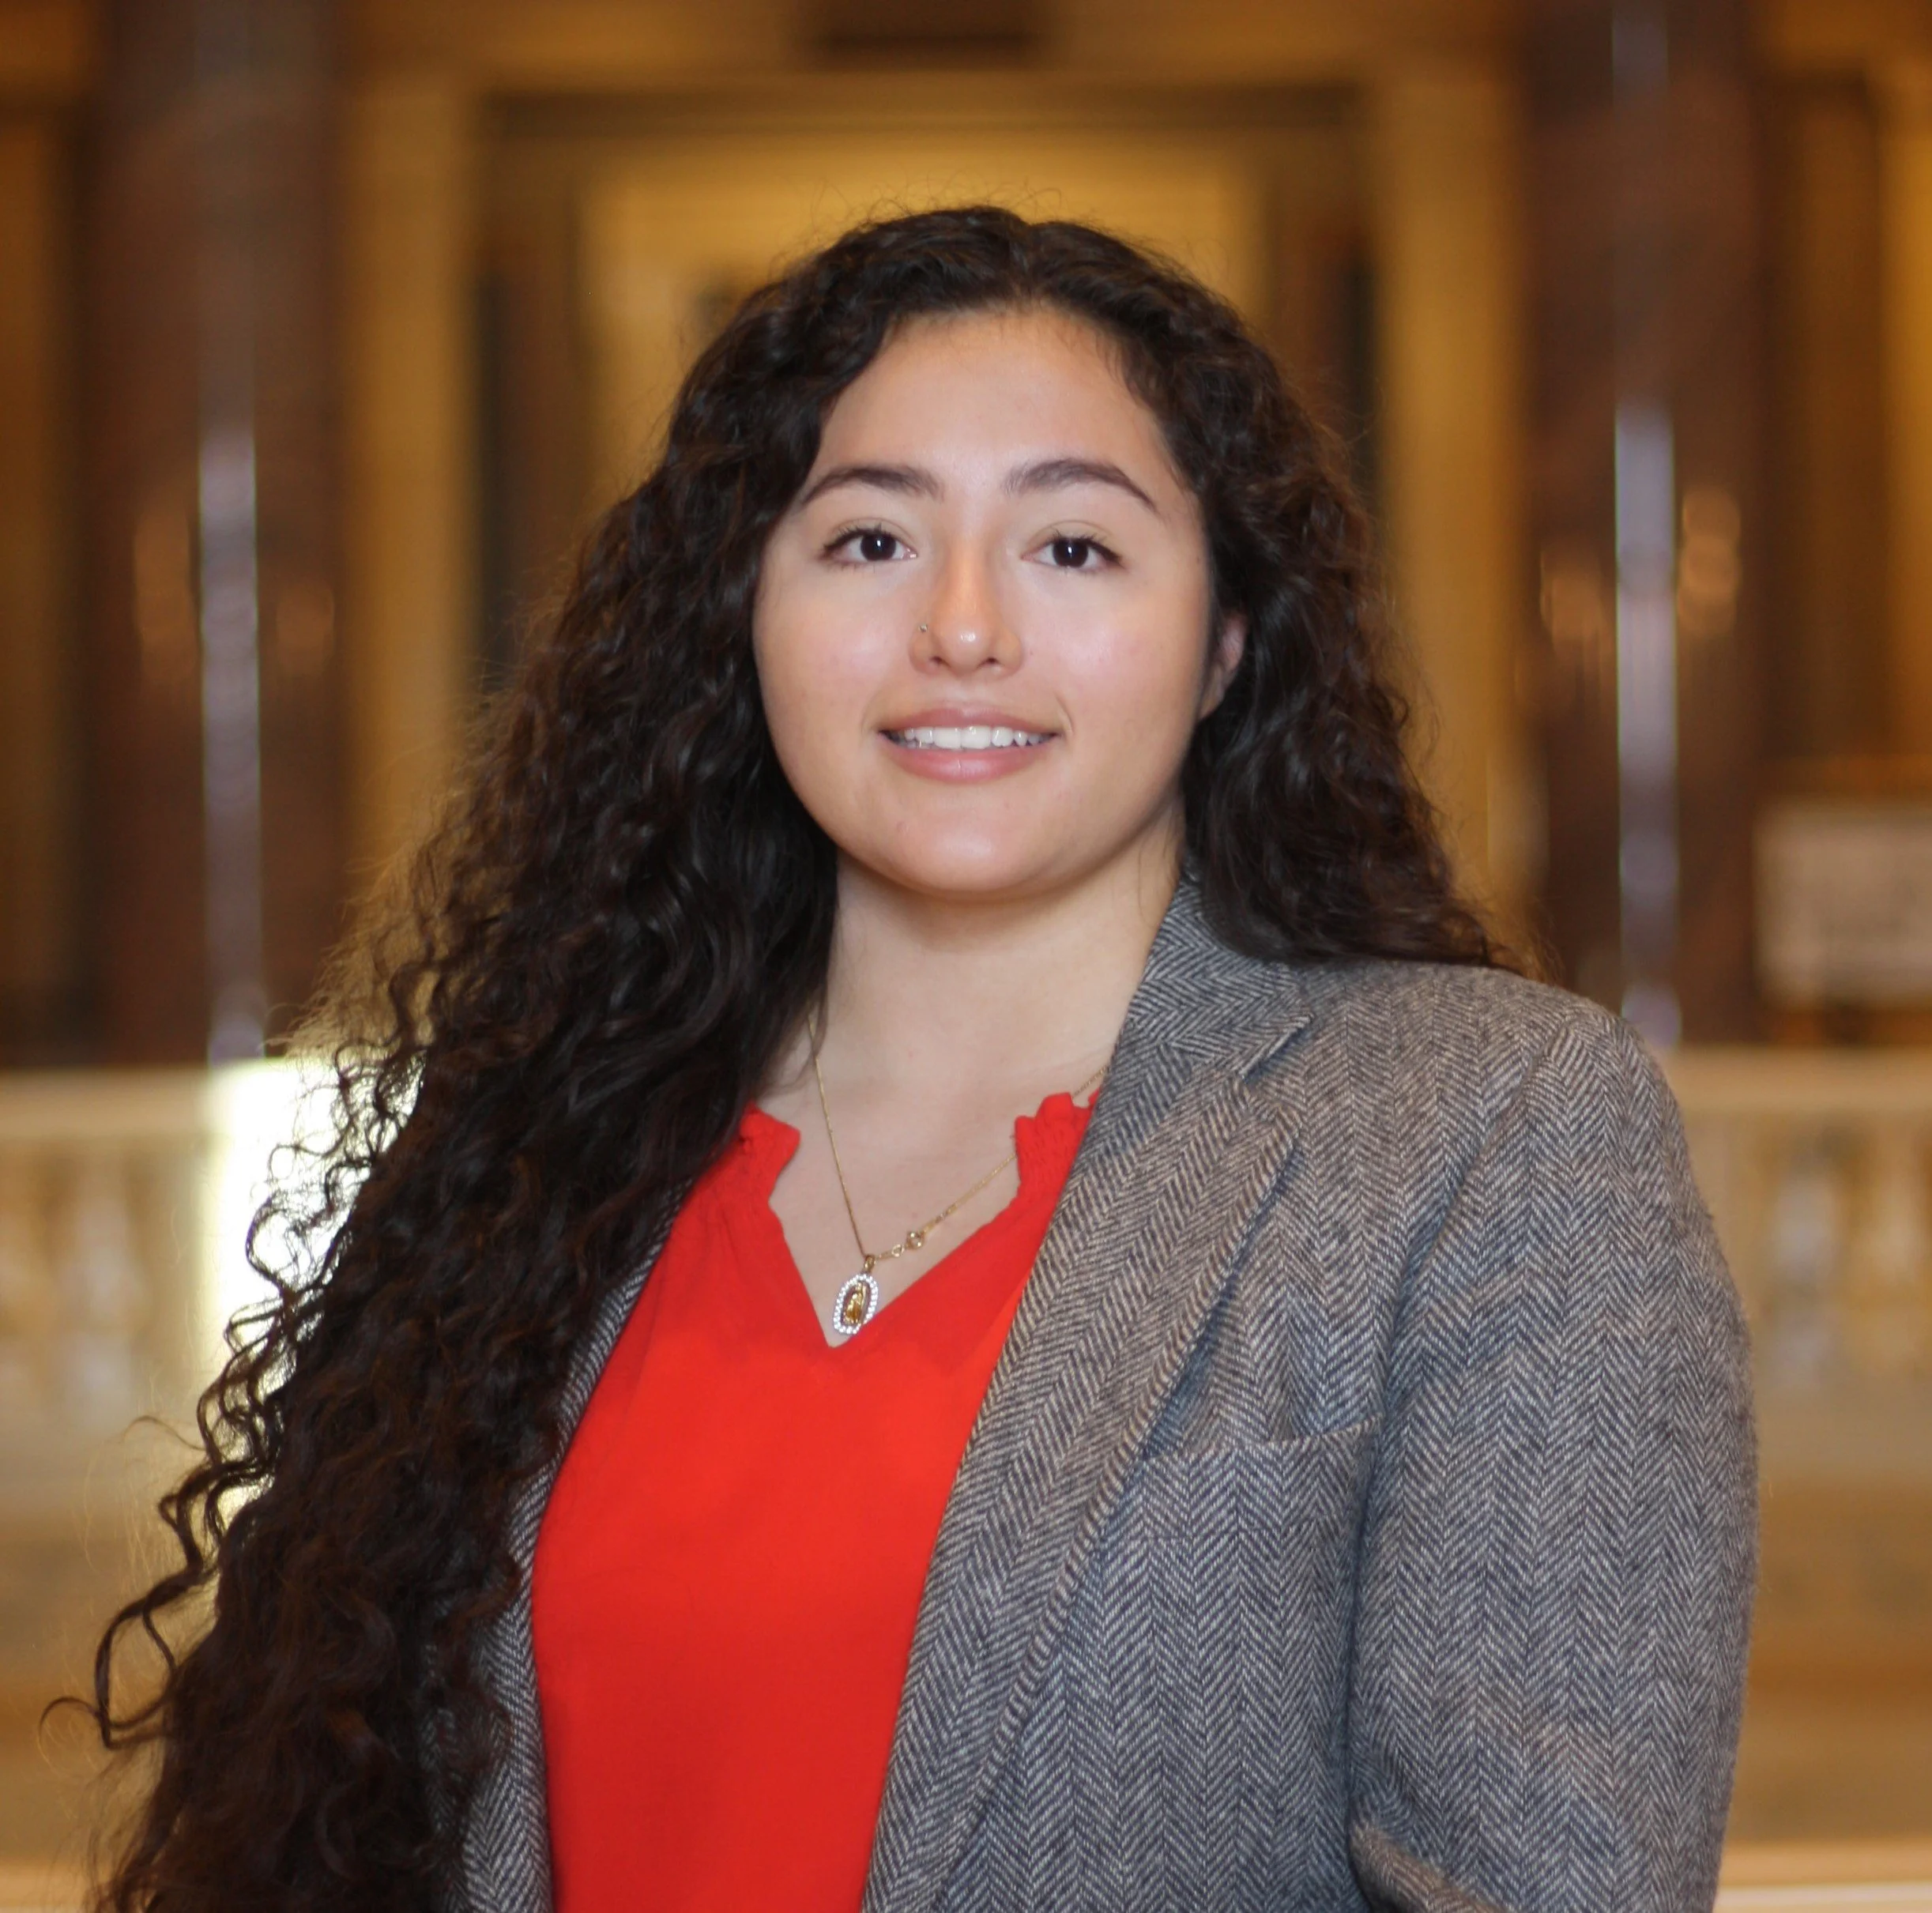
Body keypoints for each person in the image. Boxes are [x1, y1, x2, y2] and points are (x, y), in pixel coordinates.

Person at [89, 206, 1755, 1913]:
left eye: (1074, 548)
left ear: (1226, 642)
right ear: (745, 612)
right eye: (871, 540)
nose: (963, 627)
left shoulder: (1484, 1131)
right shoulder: (553, 1146)